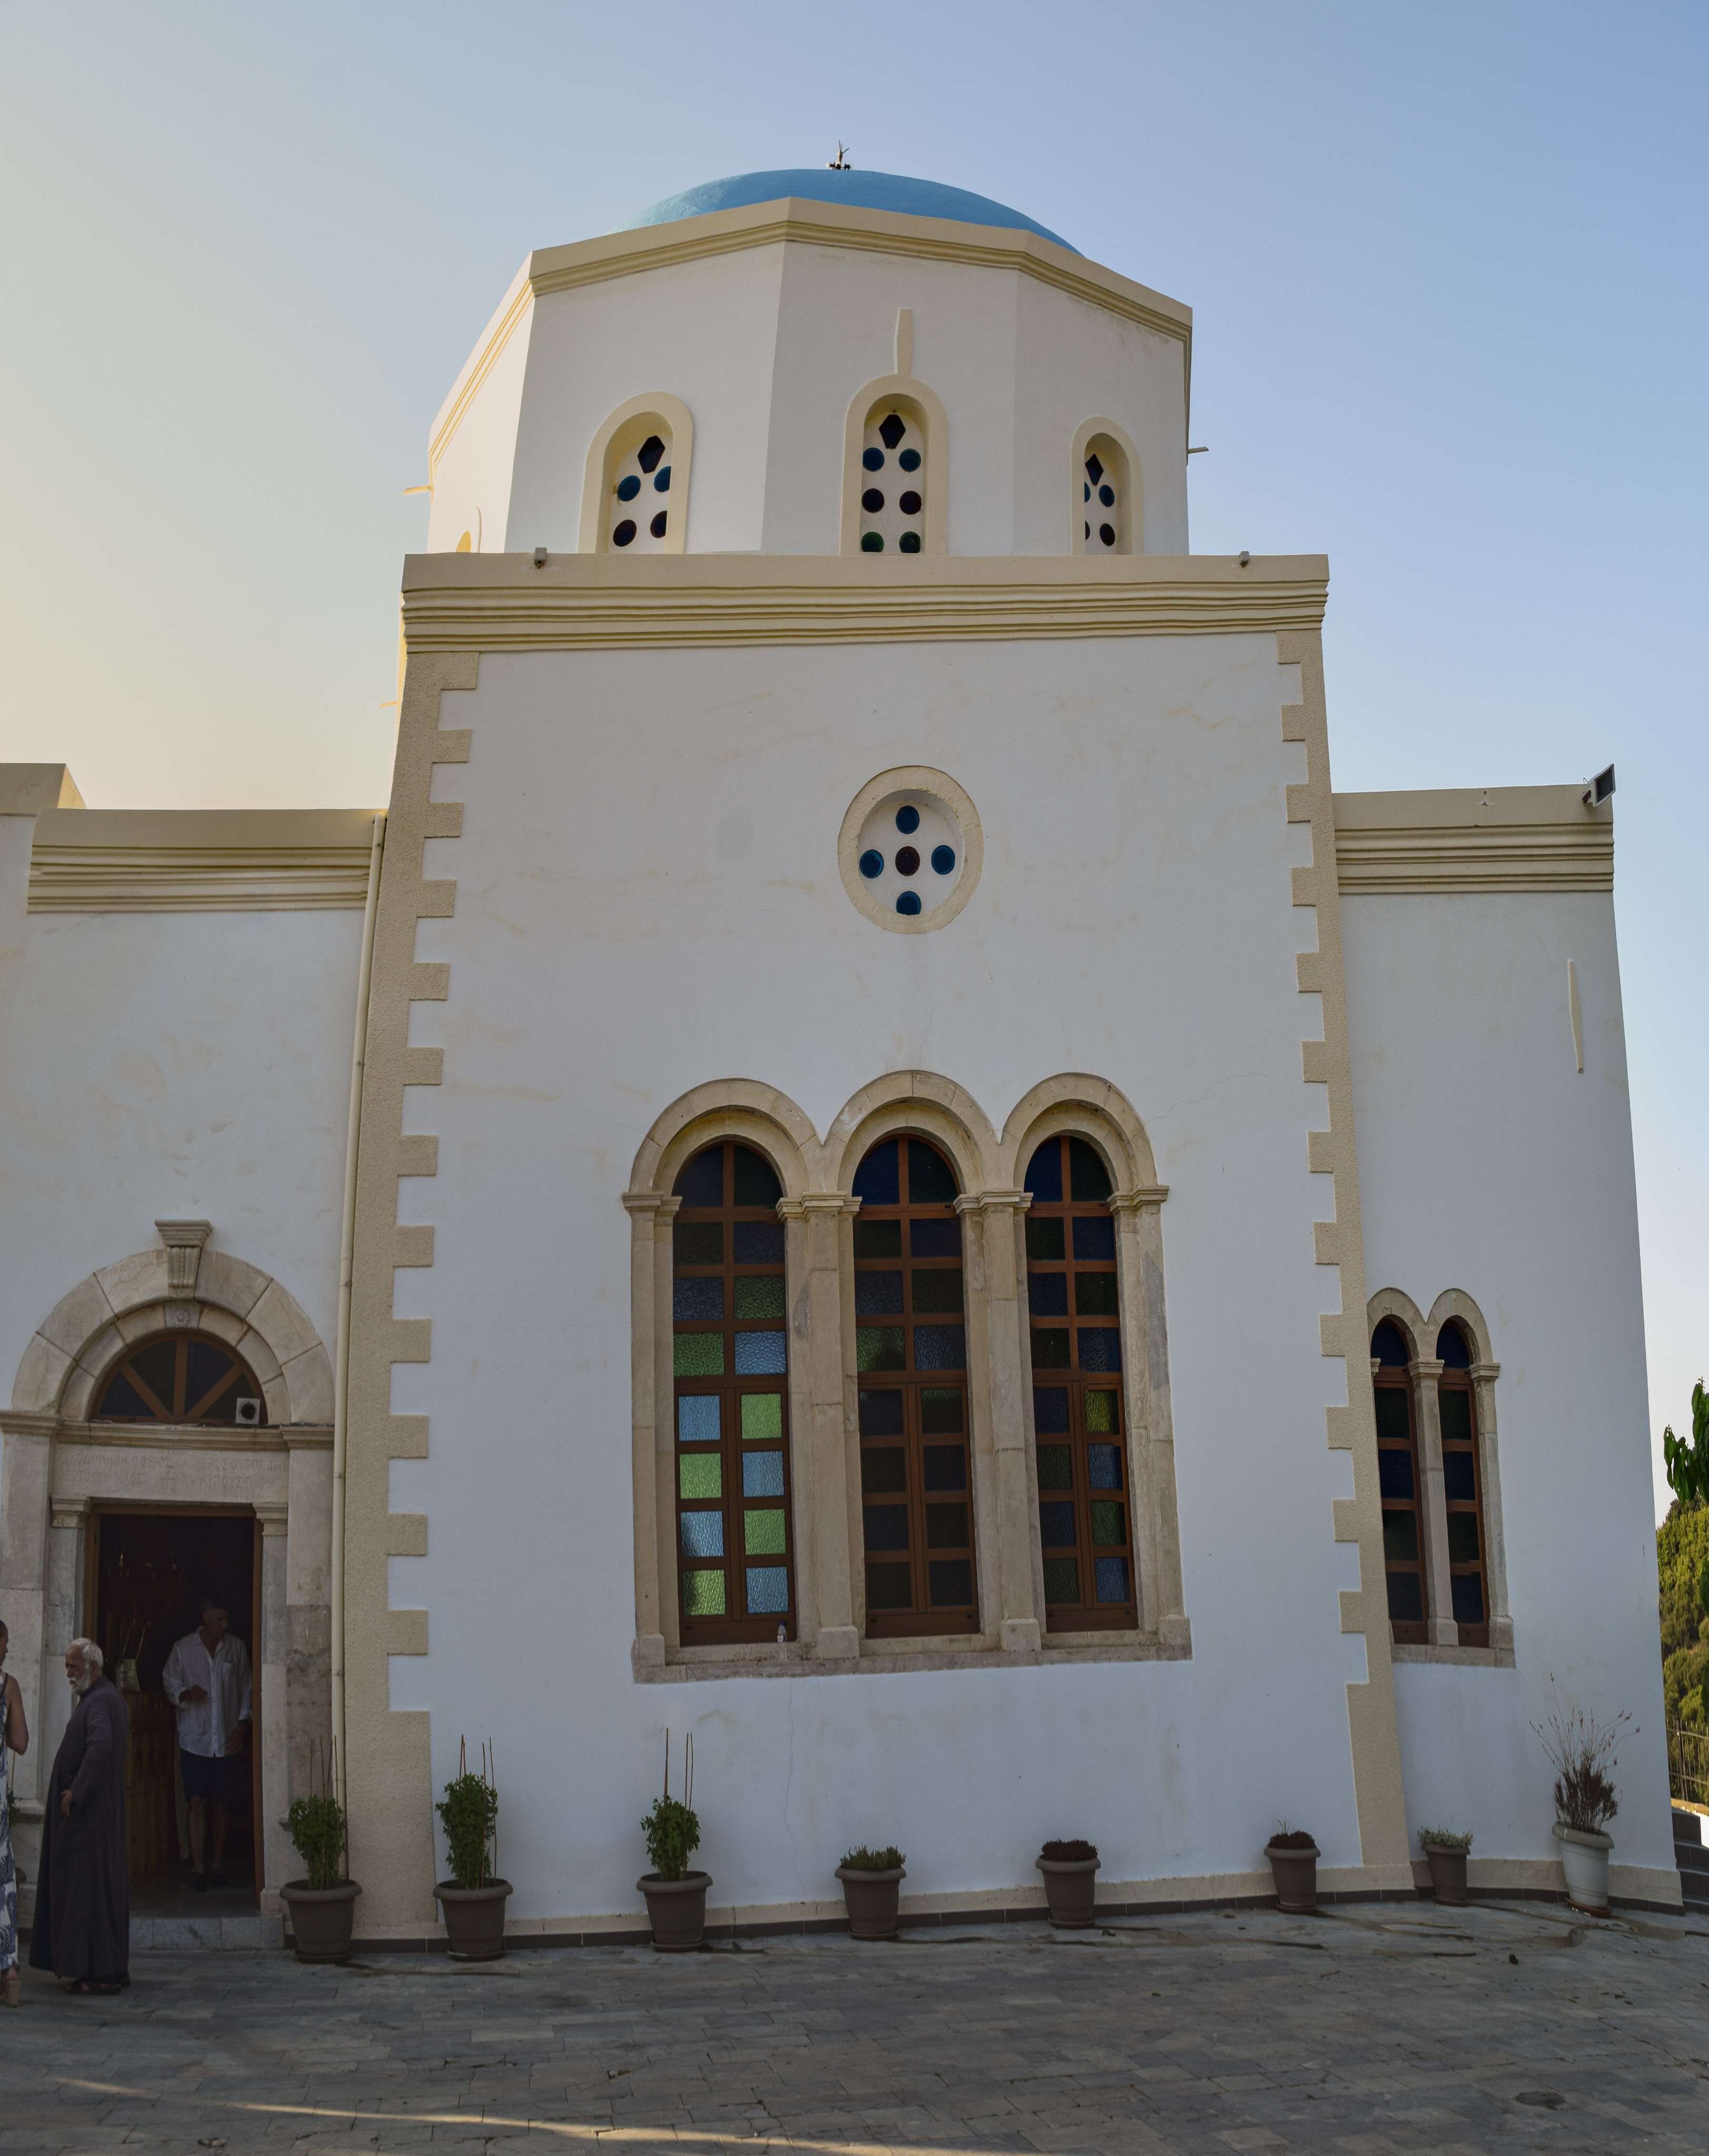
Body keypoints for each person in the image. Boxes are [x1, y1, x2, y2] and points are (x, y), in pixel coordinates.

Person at [28, 1638, 128, 1995]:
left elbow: (100, 1747)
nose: (69, 1673)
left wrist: (77, 1791)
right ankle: (105, 1969)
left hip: (90, 1818)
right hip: (98, 1817)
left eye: (74, 1666)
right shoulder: (103, 1697)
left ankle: (99, 1973)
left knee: (89, 1895)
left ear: (93, 1667)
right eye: (67, 1667)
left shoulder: (99, 1700)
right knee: (95, 1892)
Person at [160, 1595, 251, 1891]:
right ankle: (198, 1867)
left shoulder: (236, 1648)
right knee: (196, 1801)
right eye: (220, 1619)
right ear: (206, 1617)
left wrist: (242, 1723)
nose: (225, 1625)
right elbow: (169, 1681)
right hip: (195, 1739)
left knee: (222, 1803)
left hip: (226, 1739)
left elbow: (247, 1686)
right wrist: (186, 1693)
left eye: (227, 1619)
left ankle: (218, 1864)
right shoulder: (183, 1649)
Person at [0, 1618, 31, 2007]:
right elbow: (21, 1742)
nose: (7, 1650)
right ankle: (9, 1974)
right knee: (3, 1880)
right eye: (5, 1642)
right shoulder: (7, 1685)